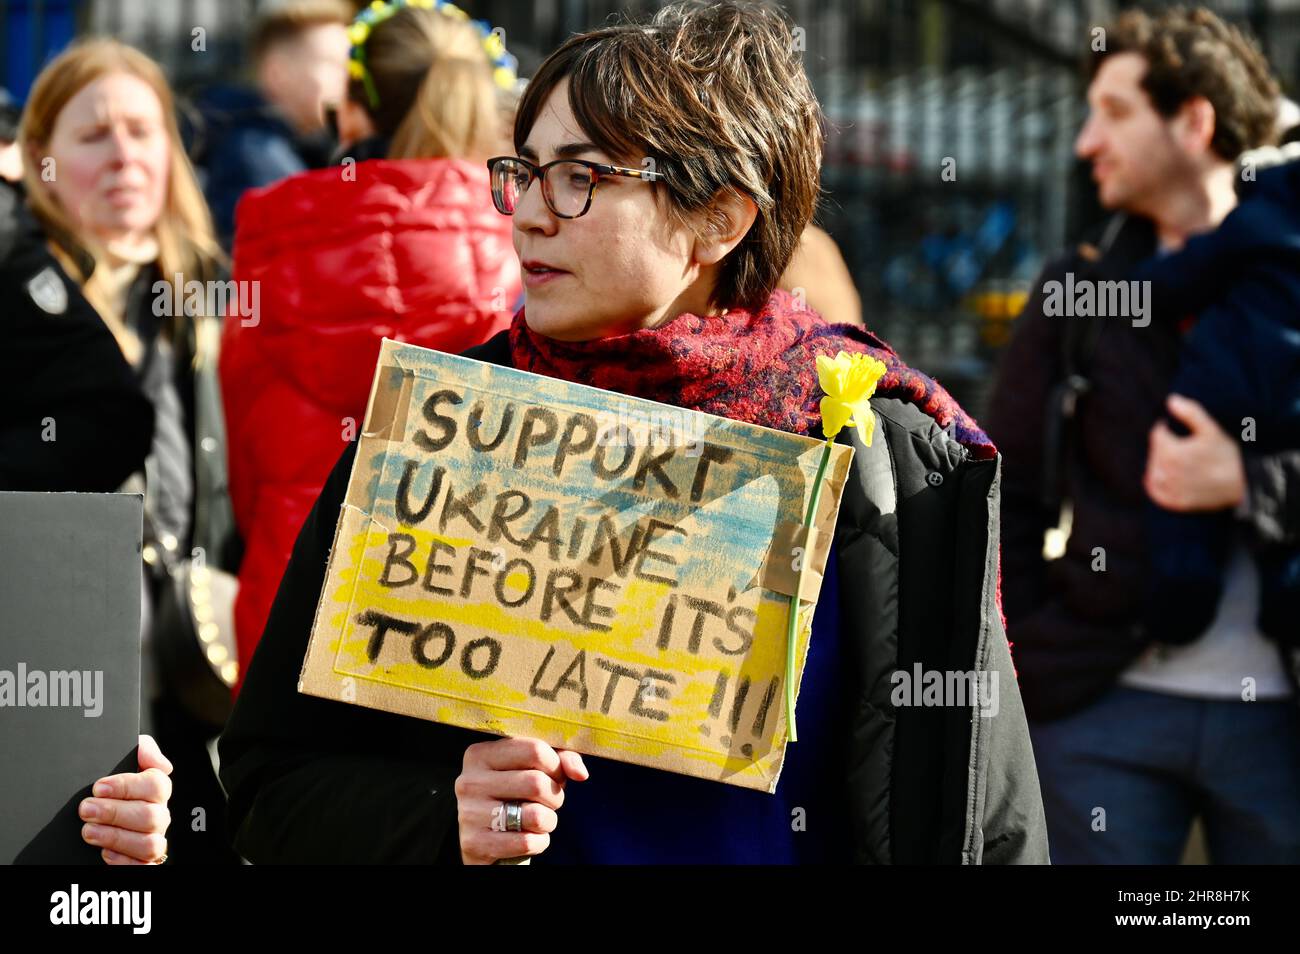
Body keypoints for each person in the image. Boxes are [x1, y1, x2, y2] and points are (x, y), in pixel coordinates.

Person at [219, 0, 1047, 865]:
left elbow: (986, 824)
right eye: (523, 171)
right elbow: (267, 782)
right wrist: (436, 814)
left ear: (719, 219)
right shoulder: (436, 432)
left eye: (579, 178)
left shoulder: (879, 459)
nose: (530, 214)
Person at [986, 7, 1300, 864]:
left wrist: (1250, 482)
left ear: (1195, 121)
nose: (1088, 142)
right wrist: (1034, 665)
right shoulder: (1078, 291)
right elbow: (1004, 492)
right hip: (1099, 705)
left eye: (1115, 112)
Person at [219, 0, 521, 695]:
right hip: (468, 621)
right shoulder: (526, 239)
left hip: (292, 603)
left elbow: (243, 454)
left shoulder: (272, 234)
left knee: (292, 799)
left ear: (352, 110)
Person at [11, 38, 237, 864]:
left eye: (144, 131)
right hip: (46, 676)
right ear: (38, 160)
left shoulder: (202, 295)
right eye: (94, 134)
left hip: (186, 672)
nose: (125, 155)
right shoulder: (20, 302)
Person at [191, 0, 353, 247]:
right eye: (332, 64)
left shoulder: (288, 148)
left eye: (348, 65)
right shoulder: (258, 158)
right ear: (277, 73)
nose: (348, 79)